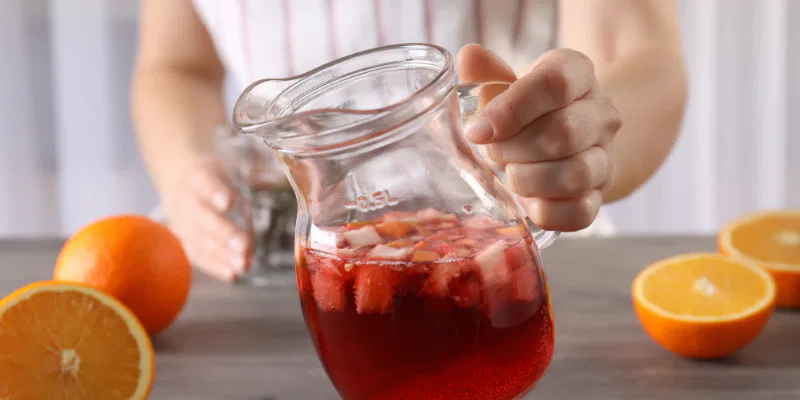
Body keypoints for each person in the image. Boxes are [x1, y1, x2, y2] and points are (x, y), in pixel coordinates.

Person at [132, 0, 688, 282]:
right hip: (274, 259)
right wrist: (186, 172)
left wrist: (579, 138)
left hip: (507, 249)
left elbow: (640, 52)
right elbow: (176, 66)